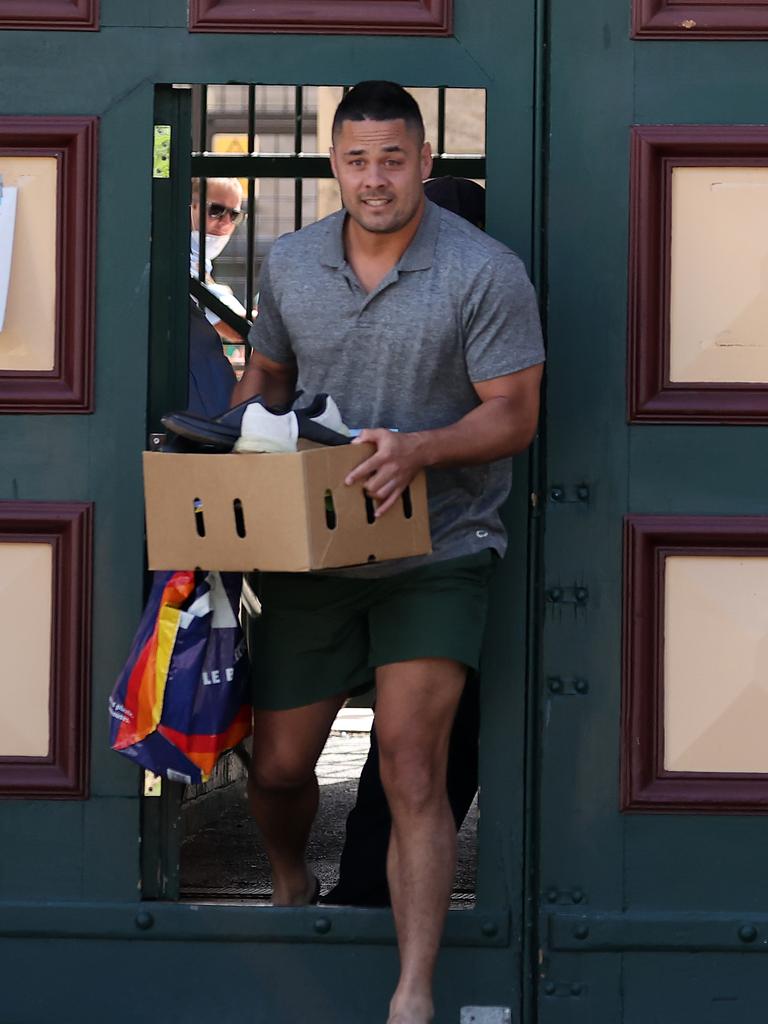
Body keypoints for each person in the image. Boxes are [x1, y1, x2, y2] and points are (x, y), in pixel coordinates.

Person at [233, 82, 544, 1024]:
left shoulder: (484, 272)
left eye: (394, 159)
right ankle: (292, 883)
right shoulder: (287, 263)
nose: (376, 179)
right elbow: (268, 378)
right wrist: (225, 441)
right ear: (335, 164)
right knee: (282, 767)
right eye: (358, 160)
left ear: (424, 164)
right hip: (315, 554)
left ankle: (413, 991)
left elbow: (514, 416)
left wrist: (418, 450)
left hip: (441, 548)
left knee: (414, 766)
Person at [323, 176, 487, 910]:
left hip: (410, 548)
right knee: (427, 750)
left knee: (405, 752)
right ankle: (365, 891)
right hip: (453, 550)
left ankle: (362, 892)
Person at [187, 177, 246, 416]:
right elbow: (234, 326)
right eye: (216, 210)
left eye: (234, 215)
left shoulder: (202, 263)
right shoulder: (175, 255)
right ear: (189, 206)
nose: (225, 222)